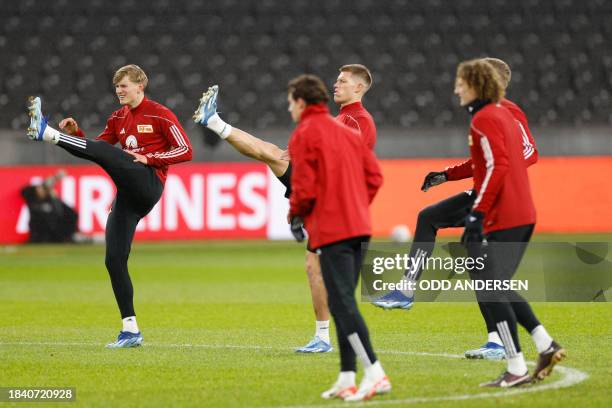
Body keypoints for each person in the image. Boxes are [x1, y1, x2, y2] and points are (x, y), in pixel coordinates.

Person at [193, 64, 377, 354]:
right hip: (322, 198)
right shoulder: (341, 118)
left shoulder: (359, 121)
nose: (336, 85)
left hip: (330, 201)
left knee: (330, 279)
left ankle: (342, 349)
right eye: (336, 80)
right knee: (272, 154)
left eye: (343, 81)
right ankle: (334, 346)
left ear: (359, 87)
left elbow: (353, 164)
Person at [374, 58, 539, 361]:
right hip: (482, 191)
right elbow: (481, 161)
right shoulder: (485, 114)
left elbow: (529, 152)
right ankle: (409, 290)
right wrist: (446, 175)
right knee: (441, 229)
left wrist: (503, 171)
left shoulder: (508, 112)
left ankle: (513, 342)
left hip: (497, 197)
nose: (460, 88)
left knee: (486, 273)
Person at [26, 64, 193, 348]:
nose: (119, 91)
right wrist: (77, 134)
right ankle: (130, 330)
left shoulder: (160, 113)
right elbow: (98, 152)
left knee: (115, 155)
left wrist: (150, 159)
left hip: (149, 183)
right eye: (117, 87)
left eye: (124, 86)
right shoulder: (118, 117)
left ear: (141, 86)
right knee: (113, 259)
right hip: (128, 195)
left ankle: (47, 133)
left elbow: (186, 150)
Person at [452, 59, 564, 387]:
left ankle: (516, 367)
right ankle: (544, 344)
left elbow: (497, 166)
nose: (456, 88)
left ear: (475, 85)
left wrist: (477, 212)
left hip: (505, 214)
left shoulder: (485, 119)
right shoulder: (504, 115)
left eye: (461, 82)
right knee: (496, 284)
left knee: (491, 286)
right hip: (521, 211)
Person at [282, 73, 387, 401]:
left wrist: (296, 214)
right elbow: (374, 176)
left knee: (342, 304)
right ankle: (346, 377)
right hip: (358, 225)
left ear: (300, 102)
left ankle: (375, 373)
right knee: (344, 302)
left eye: (290, 102)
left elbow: (304, 183)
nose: (289, 109)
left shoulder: (304, 133)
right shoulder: (344, 129)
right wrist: (355, 206)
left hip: (332, 230)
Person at [21, 170, 79, 243]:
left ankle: (70, 237)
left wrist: (56, 199)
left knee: (66, 218)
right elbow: (24, 191)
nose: (42, 191)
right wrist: (54, 178)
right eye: (40, 188)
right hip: (38, 234)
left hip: (53, 233)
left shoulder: (51, 200)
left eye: (45, 190)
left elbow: (70, 213)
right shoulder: (32, 198)